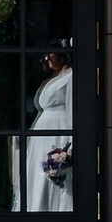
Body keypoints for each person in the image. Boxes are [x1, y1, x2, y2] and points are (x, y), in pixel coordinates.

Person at [22, 51, 73, 213]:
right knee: (38, 173)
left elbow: (71, 107)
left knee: (54, 168)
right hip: (42, 132)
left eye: (50, 55)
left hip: (59, 127)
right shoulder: (52, 78)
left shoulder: (70, 76)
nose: (47, 60)